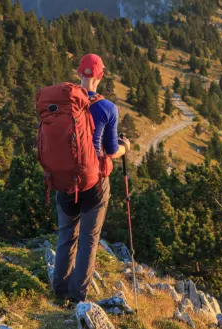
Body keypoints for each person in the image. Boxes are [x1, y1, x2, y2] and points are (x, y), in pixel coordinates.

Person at [52, 53, 129, 303]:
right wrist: (125, 146)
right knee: (88, 239)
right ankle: (77, 297)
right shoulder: (107, 108)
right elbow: (110, 150)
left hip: (64, 180)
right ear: (101, 75)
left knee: (66, 235)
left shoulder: (63, 103)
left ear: (79, 73)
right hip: (93, 183)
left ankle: (59, 292)